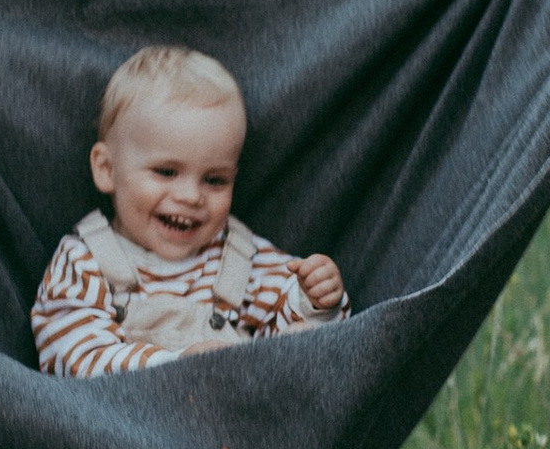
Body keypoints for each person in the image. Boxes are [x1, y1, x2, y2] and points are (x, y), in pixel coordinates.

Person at [32, 43, 348, 375]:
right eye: (166, 172)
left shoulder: (241, 256)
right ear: (107, 169)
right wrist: (177, 365)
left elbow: (291, 334)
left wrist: (315, 302)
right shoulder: (84, 262)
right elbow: (74, 360)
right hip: (126, 419)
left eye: (215, 180)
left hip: (237, 415)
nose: (191, 196)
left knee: (305, 341)